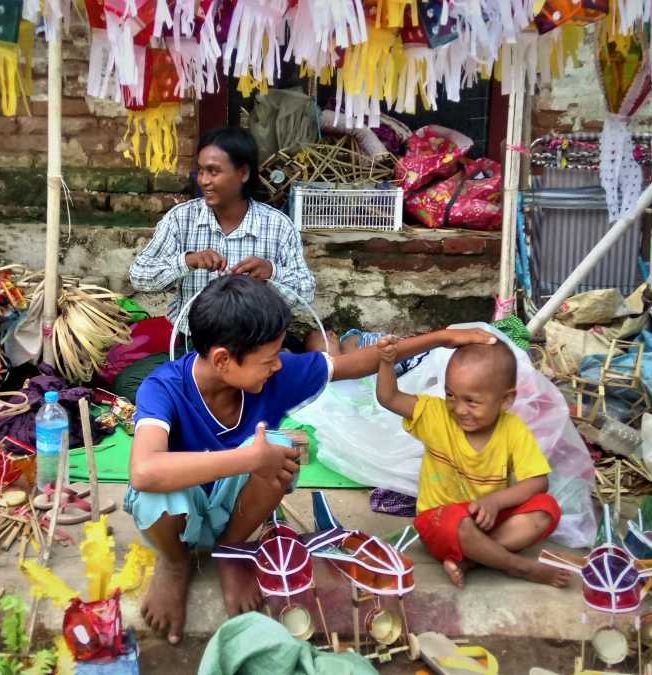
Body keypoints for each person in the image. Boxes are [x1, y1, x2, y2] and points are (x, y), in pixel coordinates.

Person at [125, 274, 495, 644]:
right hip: (179, 511)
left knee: (279, 449)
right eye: (268, 359)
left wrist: (441, 338)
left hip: (231, 510)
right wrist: (249, 459)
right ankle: (175, 562)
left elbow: (356, 362)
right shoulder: (164, 387)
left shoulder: (274, 374)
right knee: (156, 489)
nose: (277, 366)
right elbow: (144, 471)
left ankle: (231, 550)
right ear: (223, 360)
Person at [374, 337, 570, 590]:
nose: (459, 408)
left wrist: (494, 502)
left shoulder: (513, 429)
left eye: (472, 401)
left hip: (487, 519)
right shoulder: (436, 414)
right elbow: (388, 397)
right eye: (450, 395)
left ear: (505, 400)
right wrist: (387, 362)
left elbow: (538, 481)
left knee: (546, 509)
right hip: (441, 522)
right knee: (459, 521)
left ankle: (472, 560)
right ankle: (516, 565)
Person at [128, 126, 316, 344]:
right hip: (192, 343)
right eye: (201, 171)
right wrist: (188, 261)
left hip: (256, 345)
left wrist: (272, 273)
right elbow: (139, 277)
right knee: (136, 379)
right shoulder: (181, 218)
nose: (203, 180)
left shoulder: (278, 225)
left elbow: (306, 293)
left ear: (243, 173)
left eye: (213, 171)